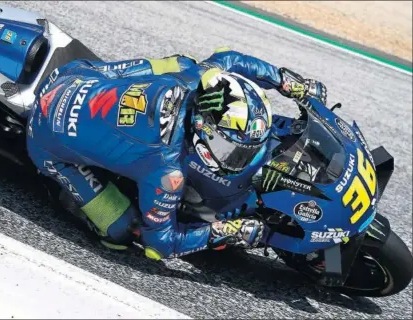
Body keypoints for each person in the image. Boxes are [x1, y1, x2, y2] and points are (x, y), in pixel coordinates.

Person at [26, 47, 327, 260]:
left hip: (76, 75)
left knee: (180, 63)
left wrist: (287, 83)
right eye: (234, 151)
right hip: (45, 137)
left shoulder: (201, 79)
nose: (241, 159)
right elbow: (161, 245)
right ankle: (72, 195)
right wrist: (225, 230)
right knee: (124, 232)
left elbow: (231, 59)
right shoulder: (166, 173)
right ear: (203, 129)